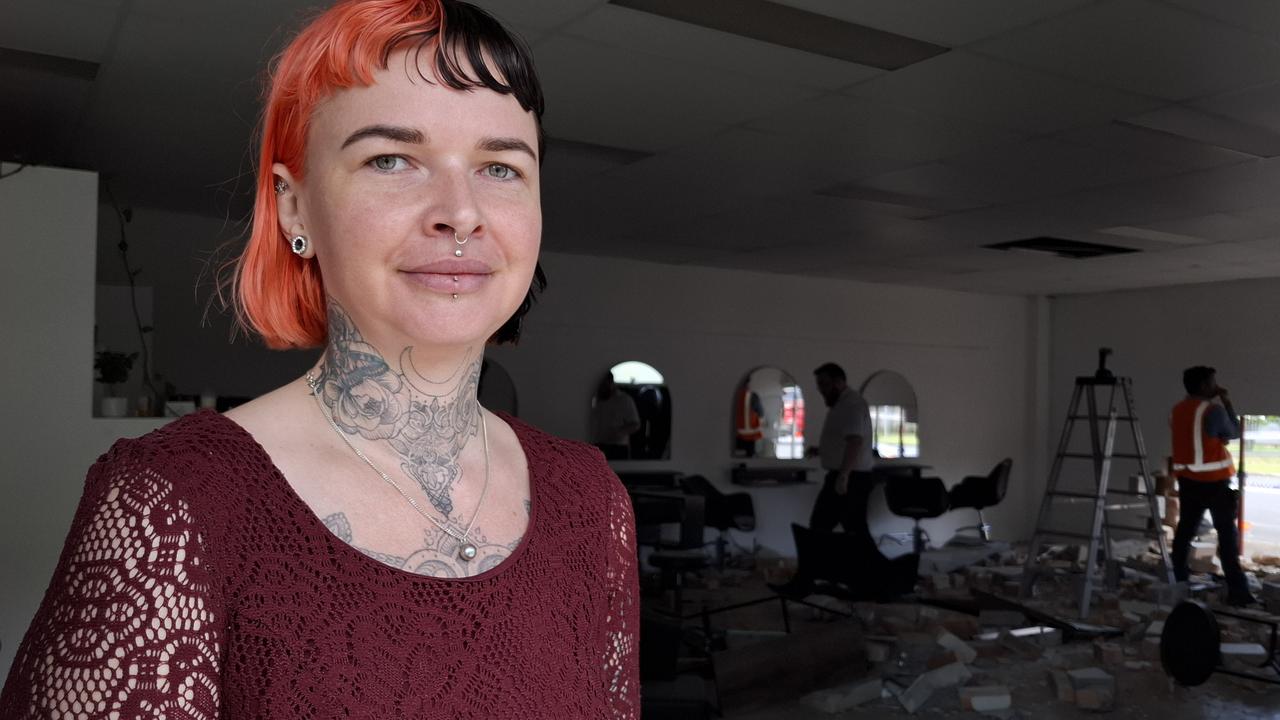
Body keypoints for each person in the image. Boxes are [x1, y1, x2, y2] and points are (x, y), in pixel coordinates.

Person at [0, 2, 639, 717]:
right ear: (294, 208)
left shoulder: (592, 500)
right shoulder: (171, 502)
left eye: (500, 166)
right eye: (391, 159)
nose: (460, 211)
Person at [1169, 366, 1256, 606]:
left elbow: (1197, 438)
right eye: (1213, 383)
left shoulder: (1178, 410)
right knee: (1227, 536)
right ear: (1205, 387)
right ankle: (1239, 593)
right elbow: (1234, 431)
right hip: (1214, 482)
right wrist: (1226, 400)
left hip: (1188, 480)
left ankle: (1178, 583)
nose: (1216, 386)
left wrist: (1217, 438)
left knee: (1185, 532)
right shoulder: (1212, 410)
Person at [807, 362, 876, 542]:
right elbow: (845, 441)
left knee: (825, 525)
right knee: (850, 527)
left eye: (824, 384)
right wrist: (822, 450)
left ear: (838, 382)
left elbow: (855, 441)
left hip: (851, 477)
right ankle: (866, 567)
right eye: (819, 385)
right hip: (848, 475)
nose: (821, 390)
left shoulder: (851, 404)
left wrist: (844, 476)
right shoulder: (842, 404)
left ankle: (870, 568)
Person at [590, 374, 641, 460]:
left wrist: (619, 432)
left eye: (605, 385)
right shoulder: (596, 398)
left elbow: (635, 424)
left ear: (611, 383)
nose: (602, 388)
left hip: (618, 447)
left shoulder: (624, 399)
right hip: (597, 444)